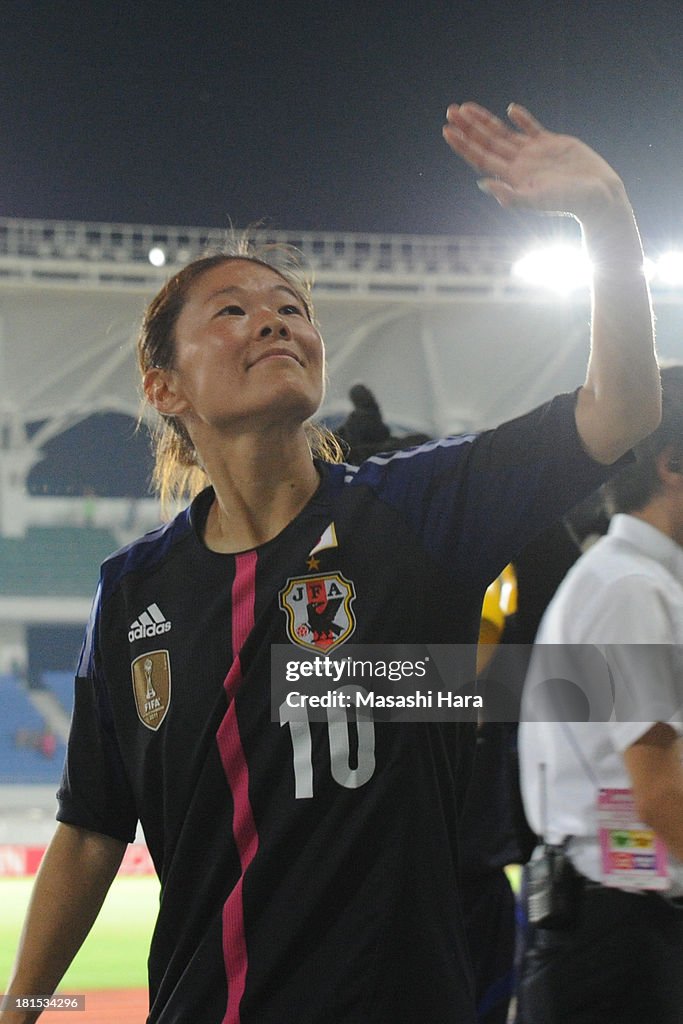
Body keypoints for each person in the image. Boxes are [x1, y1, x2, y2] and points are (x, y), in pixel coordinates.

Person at [0, 102, 659, 1024]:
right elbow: (89, 829)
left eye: (292, 310)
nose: (275, 323)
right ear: (164, 386)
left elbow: (619, 411)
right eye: (233, 311)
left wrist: (604, 217)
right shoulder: (134, 592)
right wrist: (22, 1006)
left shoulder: (418, 509)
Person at [517, 366, 683, 1024]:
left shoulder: (629, 580)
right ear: (670, 466)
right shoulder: (631, 590)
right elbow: (658, 791)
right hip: (621, 941)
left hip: (613, 928)